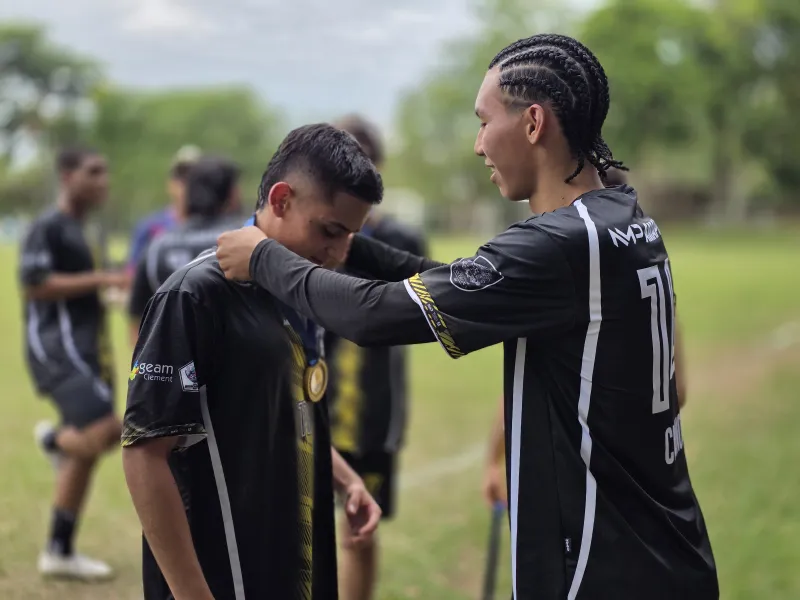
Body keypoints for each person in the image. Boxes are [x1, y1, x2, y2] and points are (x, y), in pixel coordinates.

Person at [216, 34, 719, 599]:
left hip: (605, 566)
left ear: (533, 123)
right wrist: (338, 241)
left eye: (483, 121)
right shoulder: (622, 220)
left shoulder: (557, 245)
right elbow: (466, 282)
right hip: (664, 549)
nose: (479, 145)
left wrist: (265, 257)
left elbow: (373, 317)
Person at [122, 123, 383, 600]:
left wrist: (347, 482)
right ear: (281, 200)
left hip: (289, 560)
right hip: (223, 578)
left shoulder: (301, 291)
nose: (338, 253)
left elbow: (283, 417)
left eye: (350, 236)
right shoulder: (194, 296)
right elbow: (144, 452)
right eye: (330, 231)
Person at [480, 166, 690, 510]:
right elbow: (678, 390)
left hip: (582, 491)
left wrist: (493, 460)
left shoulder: (561, 278)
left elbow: (519, 394)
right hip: (653, 480)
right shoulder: (651, 273)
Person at [327, 115, 428, 600]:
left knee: (359, 529)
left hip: (374, 408)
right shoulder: (307, 235)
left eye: (364, 157)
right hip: (313, 400)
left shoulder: (402, 241)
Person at [19, 146, 127, 580]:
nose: (103, 180)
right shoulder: (47, 226)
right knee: (106, 428)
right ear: (67, 176)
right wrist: (104, 278)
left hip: (90, 352)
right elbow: (35, 283)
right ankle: (55, 443)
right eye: (93, 171)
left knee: (91, 445)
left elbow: (98, 285)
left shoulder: (89, 231)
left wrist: (116, 288)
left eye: (105, 172)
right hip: (56, 349)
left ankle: (59, 549)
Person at [127, 156, 242, 345]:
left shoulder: (156, 246)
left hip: (173, 356)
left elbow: (137, 320)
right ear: (231, 193)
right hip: (234, 357)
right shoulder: (243, 241)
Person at [125, 145, 201, 277]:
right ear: (170, 184)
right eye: (181, 178)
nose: (187, 185)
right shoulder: (150, 228)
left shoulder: (216, 228)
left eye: (195, 178)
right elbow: (132, 275)